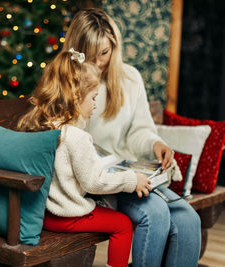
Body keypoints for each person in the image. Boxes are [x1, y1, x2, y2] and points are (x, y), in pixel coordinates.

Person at [61, 8, 202, 267]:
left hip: (130, 173)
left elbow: (140, 131)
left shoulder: (130, 78)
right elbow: (65, 138)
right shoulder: (68, 81)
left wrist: (155, 144)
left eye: (104, 53)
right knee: (156, 214)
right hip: (97, 182)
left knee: (189, 220)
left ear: (114, 46)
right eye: (90, 56)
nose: (98, 62)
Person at [17, 49, 152, 267]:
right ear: (76, 98)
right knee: (123, 225)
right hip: (66, 216)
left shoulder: (43, 126)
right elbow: (94, 182)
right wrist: (131, 180)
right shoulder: (77, 137)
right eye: (93, 98)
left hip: (45, 213)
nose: (95, 105)